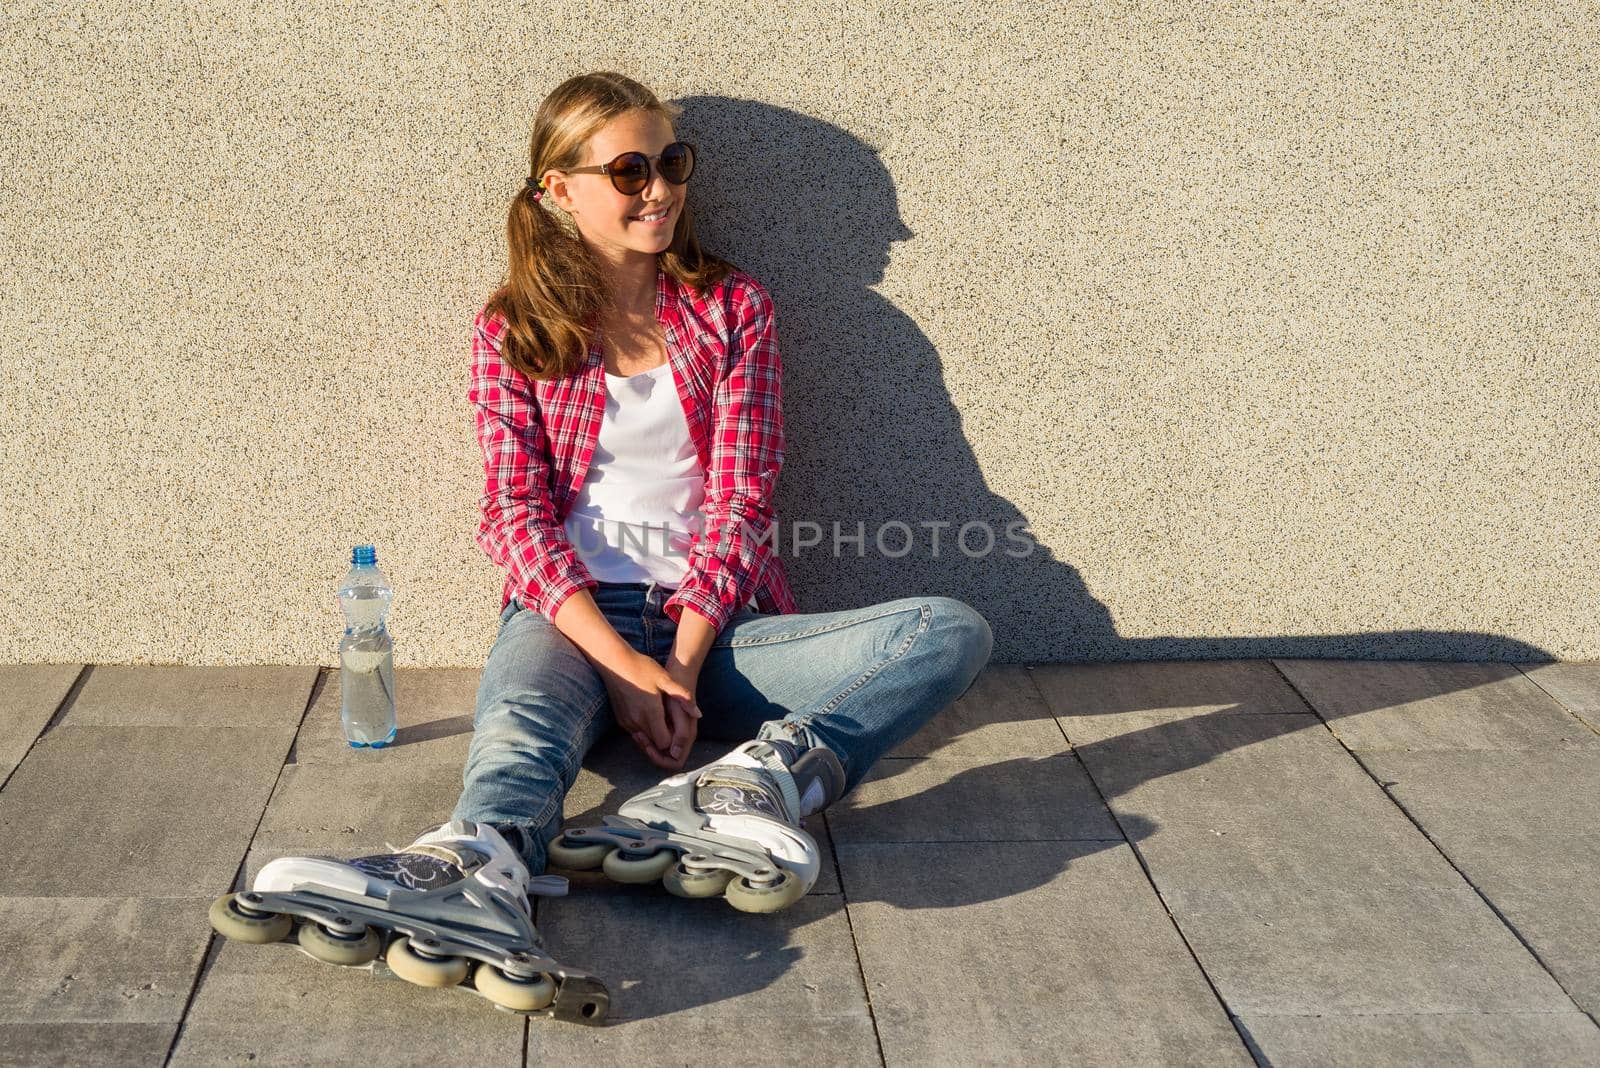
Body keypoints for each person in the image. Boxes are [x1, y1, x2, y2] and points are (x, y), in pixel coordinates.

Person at [207, 70, 992, 1021]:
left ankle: (754, 779)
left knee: (948, 631)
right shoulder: (516, 330)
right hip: (572, 617)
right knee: (521, 729)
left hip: (719, 620)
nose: (658, 188)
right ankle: (476, 863)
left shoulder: (734, 309)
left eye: (671, 163)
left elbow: (744, 499)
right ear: (557, 189)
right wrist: (624, 668)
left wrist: (685, 667)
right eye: (628, 170)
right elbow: (513, 518)